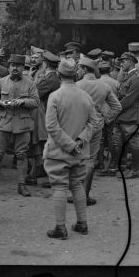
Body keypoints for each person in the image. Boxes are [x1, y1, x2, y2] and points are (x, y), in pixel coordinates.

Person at [43, 58, 97, 239]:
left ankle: (60, 228)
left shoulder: (55, 96)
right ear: (76, 74)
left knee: (59, 187)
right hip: (80, 152)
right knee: (77, 185)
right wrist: (80, 141)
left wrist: (69, 145)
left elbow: (51, 126)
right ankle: (82, 223)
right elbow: (93, 123)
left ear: (58, 74)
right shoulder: (86, 96)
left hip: (59, 153)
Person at [0, 54, 40, 198]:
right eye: (12, 65)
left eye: (18, 66)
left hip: (22, 123)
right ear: (8, 67)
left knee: (22, 155)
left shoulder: (30, 83)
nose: (15, 68)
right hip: (3, 122)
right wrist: (1, 104)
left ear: (23, 67)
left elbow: (36, 102)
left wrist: (23, 102)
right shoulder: (2, 81)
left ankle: (21, 185)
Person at [76, 56, 121, 204]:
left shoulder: (77, 85)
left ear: (83, 69)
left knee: (76, 159)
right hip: (97, 125)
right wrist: (106, 118)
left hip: (79, 126)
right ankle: (85, 195)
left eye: (79, 68)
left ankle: (75, 194)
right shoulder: (104, 86)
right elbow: (117, 107)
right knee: (90, 160)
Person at [99, 52, 139, 178]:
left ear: (130, 62)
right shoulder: (127, 77)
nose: (121, 63)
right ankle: (114, 167)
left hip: (130, 117)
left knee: (133, 143)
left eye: (123, 61)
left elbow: (129, 99)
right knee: (116, 142)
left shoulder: (137, 79)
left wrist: (114, 110)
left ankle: (135, 171)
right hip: (121, 116)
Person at [27, 51, 61, 187]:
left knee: (41, 142)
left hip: (45, 113)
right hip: (49, 112)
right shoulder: (55, 77)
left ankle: (42, 169)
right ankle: (42, 168)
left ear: (46, 64)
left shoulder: (49, 79)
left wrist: (30, 78)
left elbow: (33, 93)